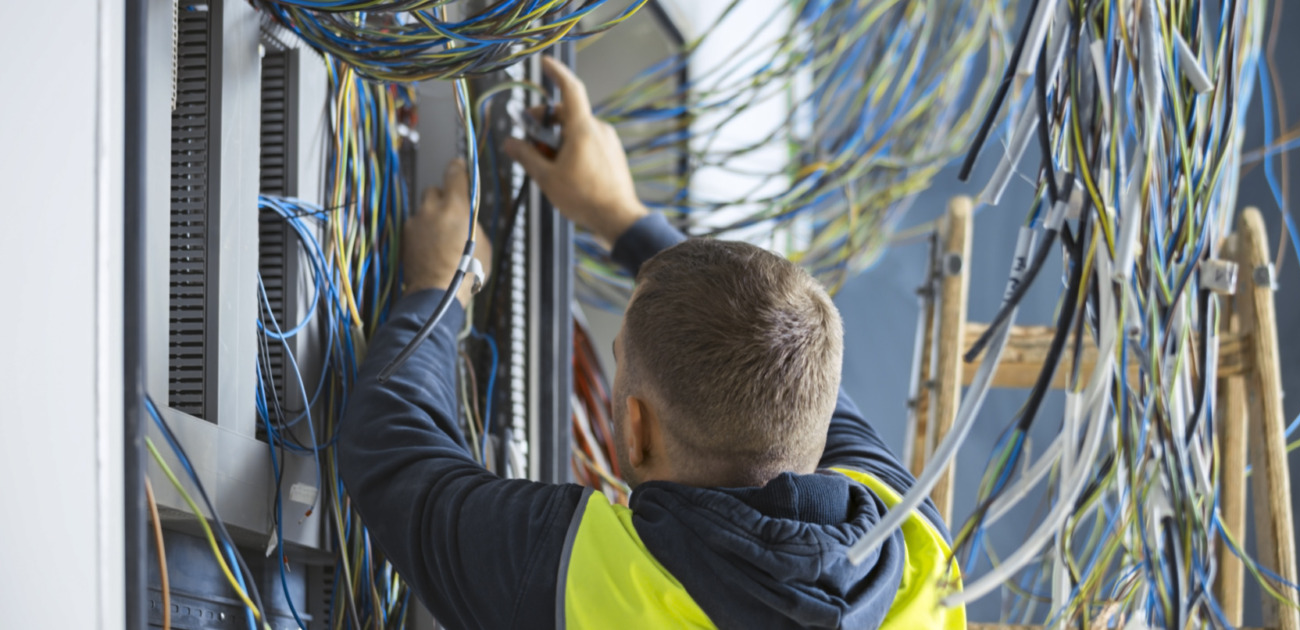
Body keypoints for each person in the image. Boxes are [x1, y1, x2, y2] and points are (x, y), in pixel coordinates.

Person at [339, 58, 964, 630]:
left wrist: (443, 284)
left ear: (636, 430)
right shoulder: (914, 549)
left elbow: (391, 451)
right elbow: (768, 345)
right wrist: (620, 215)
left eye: (619, 366)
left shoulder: (592, 585)